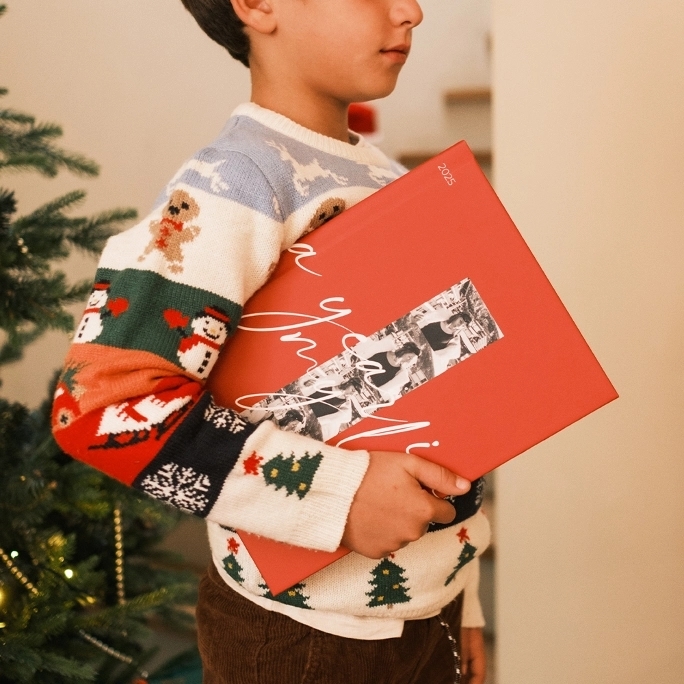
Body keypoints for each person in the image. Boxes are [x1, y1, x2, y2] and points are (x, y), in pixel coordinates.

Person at [51, 0, 489, 682]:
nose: (411, 11)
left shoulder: (391, 179)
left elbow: (440, 410)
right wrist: (340, 496)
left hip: (431, 612)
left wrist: (463, 596)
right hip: (300, 637)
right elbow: (102, 406)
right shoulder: (235, 184)